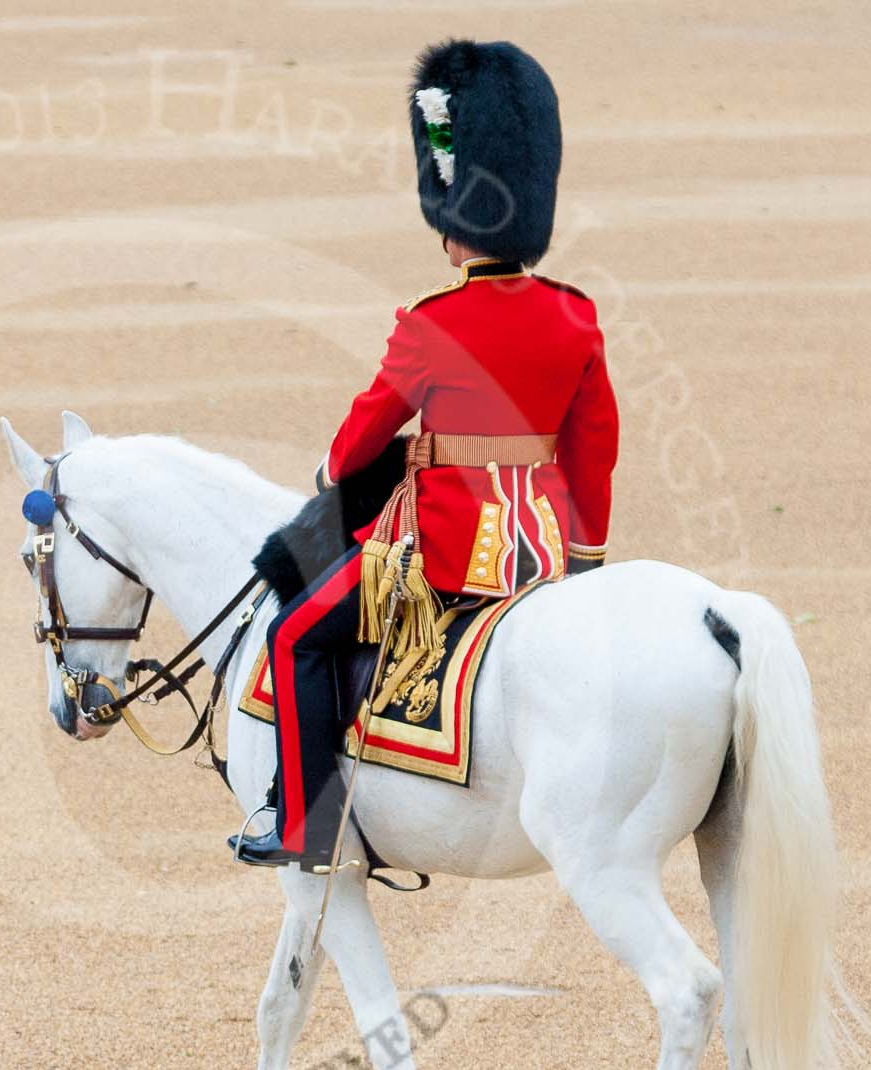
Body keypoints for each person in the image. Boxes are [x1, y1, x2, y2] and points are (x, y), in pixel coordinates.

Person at [234, 39, 620, 871]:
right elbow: (594, 452)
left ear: (455, 225)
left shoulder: (433, 323)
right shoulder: (576, 317)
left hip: (442, 549)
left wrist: (338, 474)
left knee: (299, 632)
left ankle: (307, 824)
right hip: (543, 549)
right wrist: (584, 559)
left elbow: (357, 443)